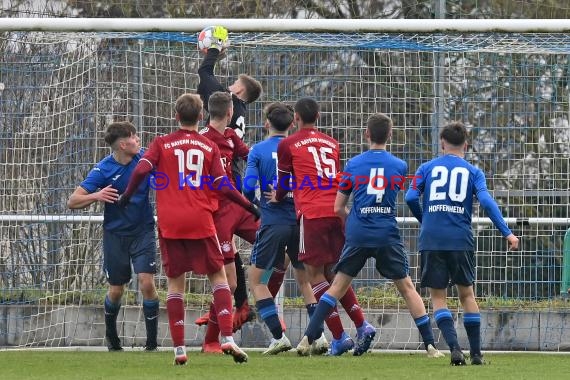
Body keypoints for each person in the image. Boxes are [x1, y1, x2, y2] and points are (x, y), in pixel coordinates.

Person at [117, 93, 259, 365]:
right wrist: (249, 206)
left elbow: (141, 171)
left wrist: (126, 197)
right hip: (201, 220)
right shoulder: (208, 146)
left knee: (175, 284)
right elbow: (223, 186)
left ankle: (179, 348)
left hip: (170, 223)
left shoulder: (161, 143)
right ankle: (227, 338)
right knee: (219, 278)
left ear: (175, 116)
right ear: (201, 115)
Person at [297, 113, 445, 359]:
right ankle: (430, 346)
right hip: (386, 232)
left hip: (358, 233)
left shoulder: (353, 164)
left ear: (367, 134)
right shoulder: (399, 166)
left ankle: (307, 339)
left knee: (336, 287)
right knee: (407, 287)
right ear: (390, 135)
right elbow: (393, 192)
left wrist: (352, 221)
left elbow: (338, 207)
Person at [405, 121, 519, 365]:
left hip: (432, 239)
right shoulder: (473, 172)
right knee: (467, 294)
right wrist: (507, 233)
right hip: (461, 238)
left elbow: (410, 196)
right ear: (466, 145)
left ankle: (455, 349)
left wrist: (425, 219)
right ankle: (477, 354)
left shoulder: (425, 168)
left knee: (438, 297)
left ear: (442, 143)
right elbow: (487, 203)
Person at [272, 97, 371, 356]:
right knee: (335, 275)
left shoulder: (288, 143)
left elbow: (283, 184)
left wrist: (277, 197)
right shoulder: (332, 142)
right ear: (318, 116)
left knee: (314, 274)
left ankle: (339, 336)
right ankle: (362, 325)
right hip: (335, 210)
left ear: (296, 118)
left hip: (312, 212)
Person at [243, 102, 328, 355]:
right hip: (301, 221)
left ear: (266, 122)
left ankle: (278, 336)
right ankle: (319, 336)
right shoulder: (298, 148)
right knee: (305, 281)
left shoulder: (257, 151)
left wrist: (258, 204)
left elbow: (248, 187)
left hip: (273, 222)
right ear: (292, 123)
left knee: (257, 280)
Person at [67, 121, 159, 352]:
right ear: (122, 144)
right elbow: (73, 200)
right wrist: (97, 195)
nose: (139, 140)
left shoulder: (144, 159)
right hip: (115, 235)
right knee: (116, 289)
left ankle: (151, 344)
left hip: (143, 230)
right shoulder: (103, 169)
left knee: (147, 282)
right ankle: (112, 336)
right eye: (135, 137)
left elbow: (169, 170)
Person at [196, 26, 263, 332]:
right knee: (232, 249)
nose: (229, 84)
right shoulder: (241, 112)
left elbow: (204, 71)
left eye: (233, 83)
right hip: (235, 184)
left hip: (220, 190)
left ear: (236, 93)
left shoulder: (225, 104)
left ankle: (221, 318)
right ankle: (241, 304)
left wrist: (215, 48)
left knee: (221, 253)